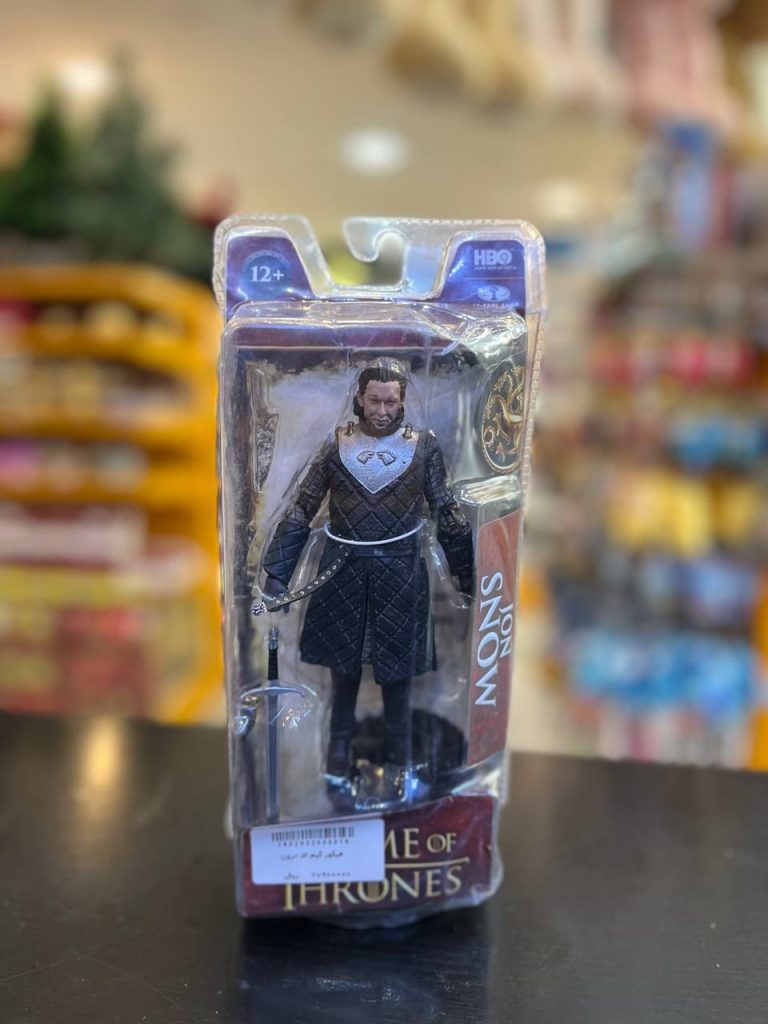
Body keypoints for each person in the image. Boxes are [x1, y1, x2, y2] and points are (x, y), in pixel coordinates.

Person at [259, 358, 473, 783]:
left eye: (390, 402)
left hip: (402, 576)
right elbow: (303, 506)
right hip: (343, 573)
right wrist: (278, 573)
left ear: (402, 402)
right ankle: (337, 756)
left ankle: (400, 761)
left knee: (398, 682)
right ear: (359, 398)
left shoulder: (422, 448)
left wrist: (465, 571)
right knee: (343, 677)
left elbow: (445, 510)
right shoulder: (336, 446)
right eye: (374, 400)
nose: (381, 410)